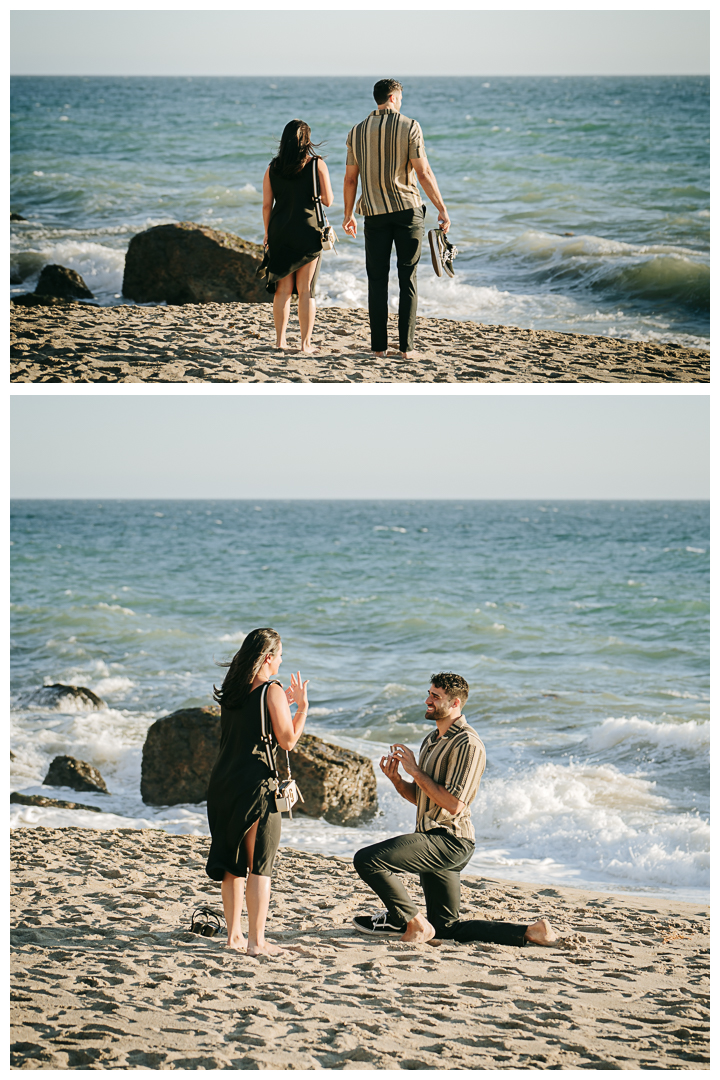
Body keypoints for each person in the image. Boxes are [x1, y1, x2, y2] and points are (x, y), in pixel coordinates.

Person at [352, 673, 558, 947]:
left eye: (435, 696)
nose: (427, 700)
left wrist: (414, 770)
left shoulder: (469, 745)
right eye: (429, 693)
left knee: (368, 860)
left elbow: (453, 804)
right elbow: (423, 798)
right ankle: (532, 931)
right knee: (446, 928)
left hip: (450, 841)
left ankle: (411, 921)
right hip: (431, 836)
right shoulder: (431, 741)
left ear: (456, 703)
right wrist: (399, 781)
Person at [205, 627, 309, 955]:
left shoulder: (233, 689)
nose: (281, 660)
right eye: (279, 655)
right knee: (260, 865)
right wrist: (302, 707)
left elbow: (251, 720)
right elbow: (288, 740)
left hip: (223, 784)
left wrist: (283, 701)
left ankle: (233, 937)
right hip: (255, 786)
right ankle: (257, 942)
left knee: (233, 865)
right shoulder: (271, 690)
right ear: (267, 657)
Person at [342, 78, 451, 360]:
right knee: (408, 278)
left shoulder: (356, 132)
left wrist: (347, 214)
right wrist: (442, 207)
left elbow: (351, 178)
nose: (401, 102)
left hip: (374, 214)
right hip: (407, 211)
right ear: (392, 97)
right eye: (400, 97)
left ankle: (378, 348)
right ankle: (406, 349)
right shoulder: (410, 126)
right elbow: (424, 173)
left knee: (376, 281)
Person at [262, 119, 334, 354]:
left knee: (282, 290)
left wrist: (266, 234)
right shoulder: (316, 165)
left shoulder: (273, 167)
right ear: (307, 140)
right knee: (305, 290)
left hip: (280, 232)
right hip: (308, 231)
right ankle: (305, 344)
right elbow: (328, 201)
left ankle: (280, 342)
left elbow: (266, 205)